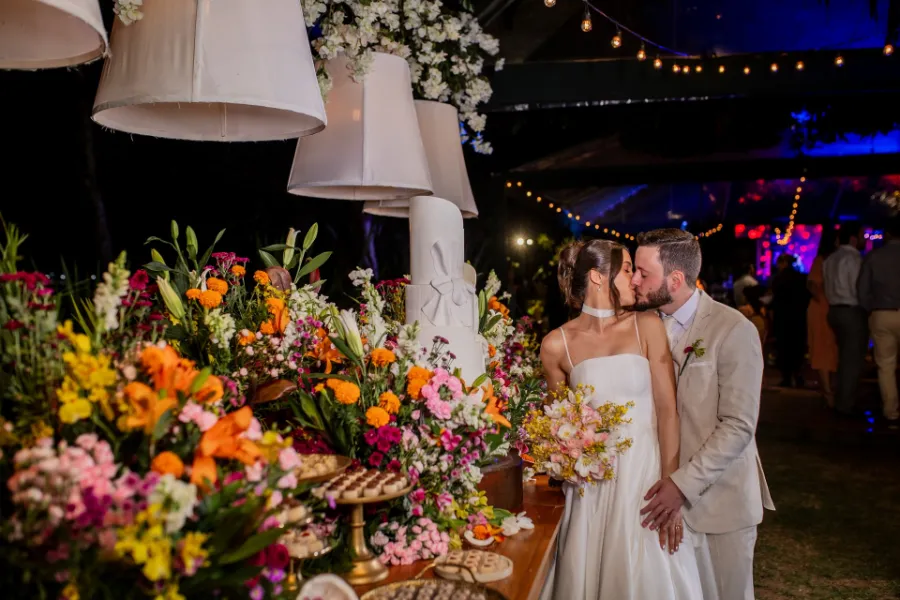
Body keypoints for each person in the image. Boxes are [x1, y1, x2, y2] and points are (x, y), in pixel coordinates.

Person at [539, 239, 702, 600]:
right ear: (598, 277)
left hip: (645, 480)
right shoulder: (555, 345)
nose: (635, 280)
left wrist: (670, 485)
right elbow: (557, 424)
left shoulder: (647, 325)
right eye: (628, 269)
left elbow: (667, 411)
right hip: (592, 489)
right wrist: (567, 455)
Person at [632, 229, 774, 600]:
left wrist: (682, 485)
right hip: (658, 499)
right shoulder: (642, 328)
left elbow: (739, 425)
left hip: (720, 503)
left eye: (642, 273)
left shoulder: (733, 329)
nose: (634, 280)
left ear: (675, 280)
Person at [823, 222, 868, 417]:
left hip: (833, 310)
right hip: (851, 310)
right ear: (853, 238)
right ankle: (845, 404)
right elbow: (859, 288)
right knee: (852, 358)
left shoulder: (830, 259)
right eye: (861, 236)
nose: (864, 240)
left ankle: (842, 398)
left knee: (844, 357)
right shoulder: (854, 259)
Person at [858, 216, 900, 423]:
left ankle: (891, 411)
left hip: (882, 313)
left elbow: (862, 291)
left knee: (886, 365)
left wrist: (871, 310)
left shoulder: (874, 257)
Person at [807, 229, 839, 407]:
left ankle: (827, 389)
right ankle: (828, 391)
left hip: (823, 307)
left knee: (827, 348)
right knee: (824, 347)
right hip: (823, 309)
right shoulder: (823, 261)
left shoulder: (824, 261)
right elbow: (814, 286)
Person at [770, 254, 810, 387]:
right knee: (797, 348)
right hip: (798, 317)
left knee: (784, 348)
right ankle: (798, 376)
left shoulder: (779, 279)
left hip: (783, 318)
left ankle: (786, 377)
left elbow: (775, 300)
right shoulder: (801, 278)